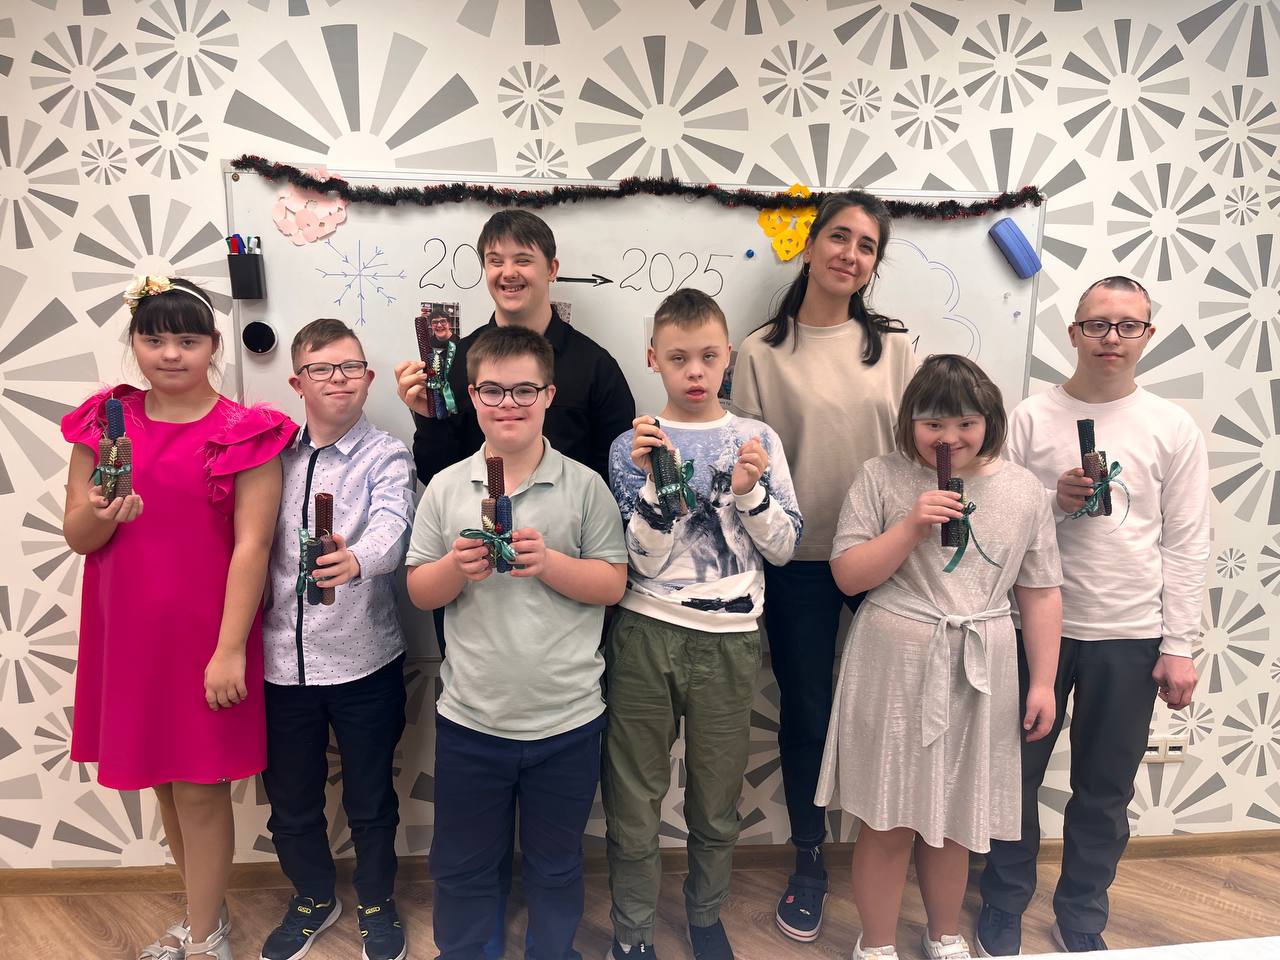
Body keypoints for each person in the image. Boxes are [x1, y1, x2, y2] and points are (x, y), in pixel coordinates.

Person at [397, 208, 634, 957]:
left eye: (525, 392)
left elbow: (613, 580)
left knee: (558, 863)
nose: (508, 405)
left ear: (549, 397)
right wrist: (454, 567)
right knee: (465, 865)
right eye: (493, 393)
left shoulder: (587, 484)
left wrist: (551, 563)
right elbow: (421, 589)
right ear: (472, 396)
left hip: (567, 715)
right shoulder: (446, 488)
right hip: (473, 716)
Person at [60, 276, 296, 960]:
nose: (170, 354)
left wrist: (229, 650)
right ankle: (203, 921)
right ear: (135, 343)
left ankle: (204, 937)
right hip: (129, 635)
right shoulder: (105, 422)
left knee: (199, 788)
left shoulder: (246, 433)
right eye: (154, 339)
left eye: (187, 340)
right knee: (163, 783)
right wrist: (105, 513)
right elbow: (78, 536)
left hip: (207, 636)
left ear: (214, 345)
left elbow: (253, 546)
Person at [977, 276, 1207, 955]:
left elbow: (1187, 541)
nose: (1112, 337)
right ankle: (1003, 903)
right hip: (1033, 630)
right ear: (1073, 332)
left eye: (1128, 325)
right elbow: (996, 524)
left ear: (1147, 335)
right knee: (1012, 779)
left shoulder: (1172, 427)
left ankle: (1082, 914)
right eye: (1098, 324)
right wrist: (1052, 501)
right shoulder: (1028, 418)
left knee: (1105, 790)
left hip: (1131, 635)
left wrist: (1180, 643)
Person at [816, 354, 1061, 960]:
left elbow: (1039, 590)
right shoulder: (880, 476)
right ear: (909, 422)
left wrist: (1043, 683)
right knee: (887, 815)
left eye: (965, 424)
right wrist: (910, 527)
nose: (948, 438)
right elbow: (847, 576)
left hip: (982, 664)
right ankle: (876, 943)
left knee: (957, 814)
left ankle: (944, 934)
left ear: (990, 422)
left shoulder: (1023, 490)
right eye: (933, 424)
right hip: (894, 659)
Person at [728, 191, 918, 941]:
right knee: (807, 715)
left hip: (885, 558)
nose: (850, 254)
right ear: (809, 247)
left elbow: (917, 452)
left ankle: (888, 856)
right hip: (798, 563)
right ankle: (809, 861)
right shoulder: (758, 352)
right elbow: (749, 468)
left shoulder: (895, 349)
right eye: (839, 237)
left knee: (889, 713)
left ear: (874, 265)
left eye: (867, 246)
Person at [604, 289, 802, 960]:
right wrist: (652, 486)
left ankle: (706, 916)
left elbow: (784, 548)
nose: (695, 371)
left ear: (729, 358)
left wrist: (750, 492)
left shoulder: (758, 439)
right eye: (679, 358)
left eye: (709, 357)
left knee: (717, 800)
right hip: (645, 632)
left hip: (731, 639)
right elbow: (639, 561)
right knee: (633, 798)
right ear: (653, 359)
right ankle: (633, 931)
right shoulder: (631, 445)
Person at [258, 318, 416, 960]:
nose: (338, 379)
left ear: (368, 377)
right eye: (321, 368)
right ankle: (312, 898)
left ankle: (377, 901)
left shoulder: (388, 454)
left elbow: (394, 527)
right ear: (298, 382)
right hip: (280, 666)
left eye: (350, 367)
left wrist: (359, 560)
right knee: (290, 801)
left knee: (371, 799)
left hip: (364, 661)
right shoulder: (272, 454)